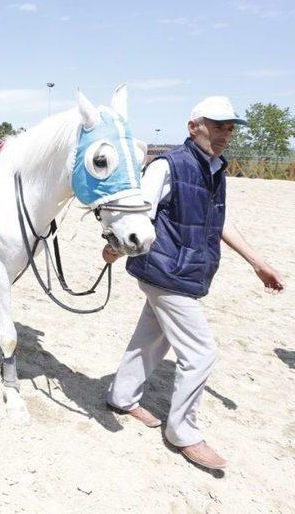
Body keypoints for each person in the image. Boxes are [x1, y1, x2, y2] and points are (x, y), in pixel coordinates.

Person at [103, 96, 285, 470]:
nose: (226, 134)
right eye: (218, 125)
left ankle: (121, 397)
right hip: (165, 272)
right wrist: (115, 249)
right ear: (193, 127)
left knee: (152, 338)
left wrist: (258, 263)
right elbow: (140, 214)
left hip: (184, 273)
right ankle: (182, 432)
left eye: (230, 127)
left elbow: (220, 224)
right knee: (201, 352)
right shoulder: (167, 167)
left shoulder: (216, 168)